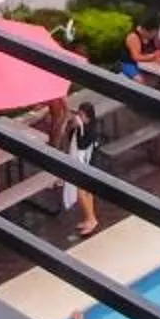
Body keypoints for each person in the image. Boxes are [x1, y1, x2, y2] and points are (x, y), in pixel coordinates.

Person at [58, 102, 100, 238]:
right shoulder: (80, 128)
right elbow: (70, 139)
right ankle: (90, 217)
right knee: (86, 192)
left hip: (87, 166)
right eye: (78, 114)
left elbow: (82, 145)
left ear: (88, 118)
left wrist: (80, 127)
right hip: (80, 164)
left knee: (82, 193)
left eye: (81, 116)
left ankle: (91, 219)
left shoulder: (91, 131)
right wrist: (71, 126)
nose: (78, 118)